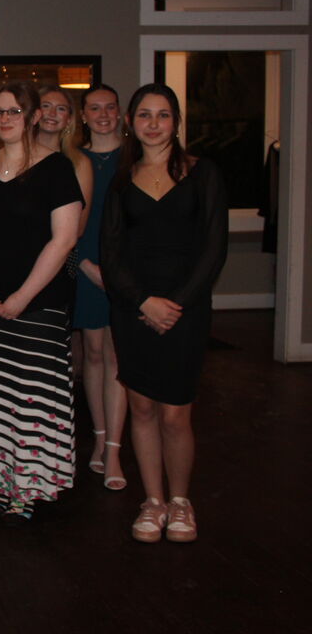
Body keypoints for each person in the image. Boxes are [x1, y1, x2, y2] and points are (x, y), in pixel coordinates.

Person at [101, 83, 227, 544]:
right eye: (144, 115)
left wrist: (175, 305)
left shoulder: (203, 173)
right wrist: (142, 301)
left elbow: (214, 249)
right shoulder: (121, 177)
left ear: (176, 121)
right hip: (132, 310)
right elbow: (110, 253)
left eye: (163, 115)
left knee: (175, 415)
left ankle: (180, 502)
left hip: (185, 311)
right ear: (130, 122)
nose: (153, 124)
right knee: (141, 408)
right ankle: (153, 501)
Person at [0, 81, 83, 524]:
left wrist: (23, 297)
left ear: (32, 117)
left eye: (14, 111)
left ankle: (30, 485)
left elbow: (64, 240)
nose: (5, 119)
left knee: (31, 399)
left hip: (38, 307)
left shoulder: (57, 169)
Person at [70, 84, 128, 490]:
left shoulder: (134, 158)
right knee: (92, 351)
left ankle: (114, 450)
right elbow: (62, 224)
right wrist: (83, 265)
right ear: (84, 115)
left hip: (127, 273)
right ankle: (98, 436)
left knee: (116, 354)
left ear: (120, 113)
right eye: (95, 108)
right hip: (85, 266)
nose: (103, 114)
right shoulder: (74, 159)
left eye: (110, 107)